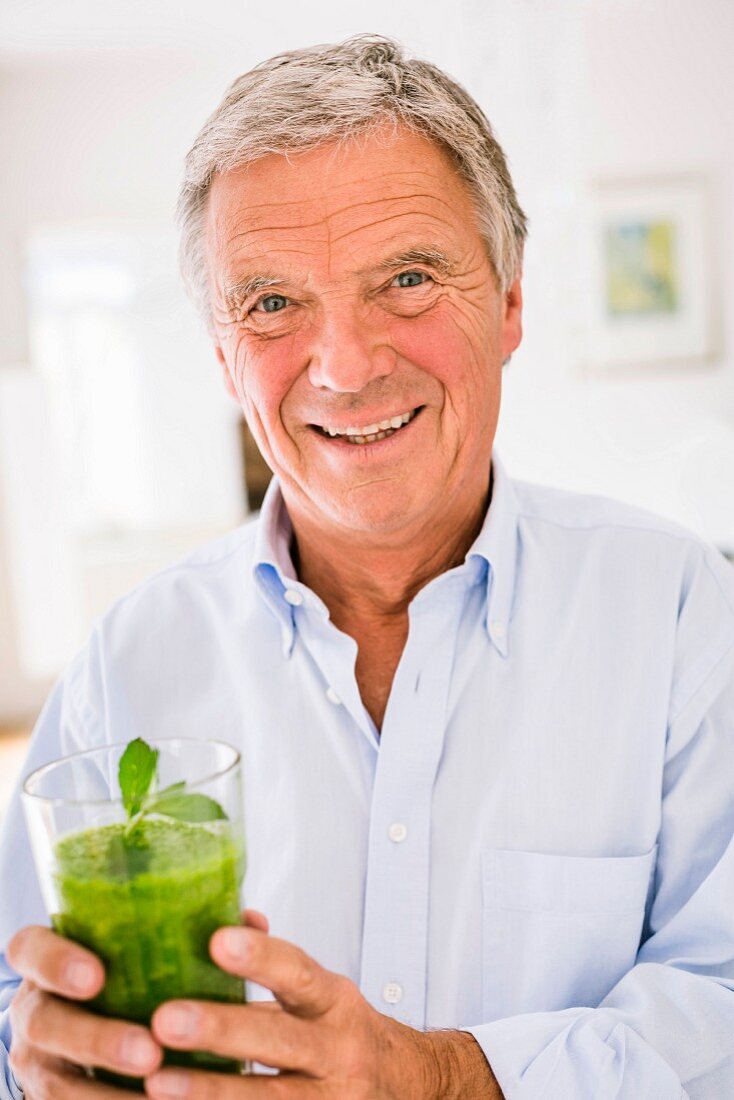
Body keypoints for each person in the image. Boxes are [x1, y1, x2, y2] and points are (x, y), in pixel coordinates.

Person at [1, 33, 733, 1100]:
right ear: (220, 354)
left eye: (406, 277)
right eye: (270, 302)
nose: (344, 365)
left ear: (510, 303)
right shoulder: (129, 660)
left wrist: (442, 1075)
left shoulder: (680, 616)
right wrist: (40, 1065)